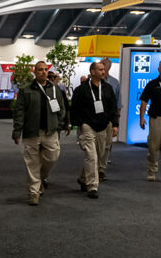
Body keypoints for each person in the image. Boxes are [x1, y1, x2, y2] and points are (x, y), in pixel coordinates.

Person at [12, 61, 68, 206]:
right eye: (40, 70)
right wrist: (17, 130)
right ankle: (34, 193)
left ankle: (41, 177)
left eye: (45, 70)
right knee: (32, 163)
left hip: (51, 131)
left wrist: (59, 124)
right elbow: (19, 111)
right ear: (34, 72)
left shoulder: (55, 89)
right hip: (32, 132)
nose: (43, 72)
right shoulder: (26, 89)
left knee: (52, 156)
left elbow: (62, 108)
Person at [70, 61, 118, 199]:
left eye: (104, 70)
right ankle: (92, 186)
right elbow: (74, 109)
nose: (103, 72)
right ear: (92, 72)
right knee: (91, 156)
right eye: (100, 69)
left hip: (103, 126)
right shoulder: (82, 90)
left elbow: (113, 108)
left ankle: (83, 178)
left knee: (99, 154)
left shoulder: (108, 88)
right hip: (87, 125)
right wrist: (79, 124)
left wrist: (115, 124)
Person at [100, 58, 121, 172]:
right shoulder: (91, 80)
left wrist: (116, 120)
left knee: (107, 144)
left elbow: (118, 101)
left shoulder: (114, 82)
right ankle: (96, 165)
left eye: (103, 65)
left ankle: (101, 169)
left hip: (109, 117)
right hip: (95, 117)